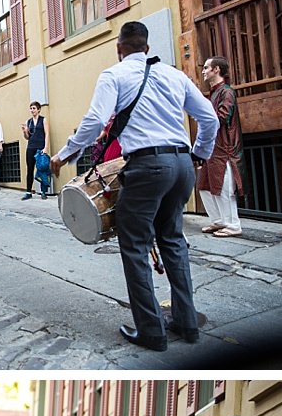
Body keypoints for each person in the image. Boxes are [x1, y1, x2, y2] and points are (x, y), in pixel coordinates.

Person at [51, 20, 219, 352]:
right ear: (147, 48)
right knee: (173, 240)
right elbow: (209, 118)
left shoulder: (114, 75)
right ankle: (186, 323)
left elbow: (95, 121)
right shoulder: (174, 74)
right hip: (182, 163)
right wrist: (199, 154)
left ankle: (151, 331)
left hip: (146, 166)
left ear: (119, 49)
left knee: (135, 246)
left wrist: (64, 154)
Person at [198, 55, 246, 238]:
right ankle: (218, 221)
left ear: (216, 70)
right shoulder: (215, 92)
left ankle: (233, 225)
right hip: (214, 146)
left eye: (207, 67)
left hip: (225, 146)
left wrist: (203, 117)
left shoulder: (226, 92)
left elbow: (222, 117)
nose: (203, 70)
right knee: (204, 185)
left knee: (224, 186)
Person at [21, 101, 50, 200]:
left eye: (34, 108)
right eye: (31, 108)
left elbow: (47, 134)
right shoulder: (28, 122)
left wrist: (46, 147)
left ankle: (43, 192)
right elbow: (27, 137)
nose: (32, 110)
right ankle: (28, 192)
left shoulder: (43, 120)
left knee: (42, 169)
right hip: (31, 147)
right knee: (30, 169)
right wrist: (25, 131)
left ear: (38, 109)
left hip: (40, 147)